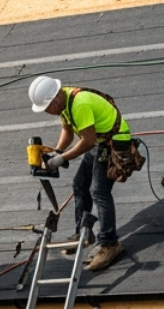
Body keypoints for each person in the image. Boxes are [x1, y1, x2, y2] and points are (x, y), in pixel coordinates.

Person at [29, 75, 131, 272]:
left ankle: (110, 244)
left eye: (47, 107)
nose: (48, 112)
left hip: (113, 141)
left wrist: (62, 159)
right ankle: (83, 234)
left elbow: (88, 141)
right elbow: (67, 130)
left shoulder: (79, 104)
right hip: (100, 140)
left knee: (99, 191)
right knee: (79, 184)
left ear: (55, 98)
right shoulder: (64, 101)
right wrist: (57, 152)